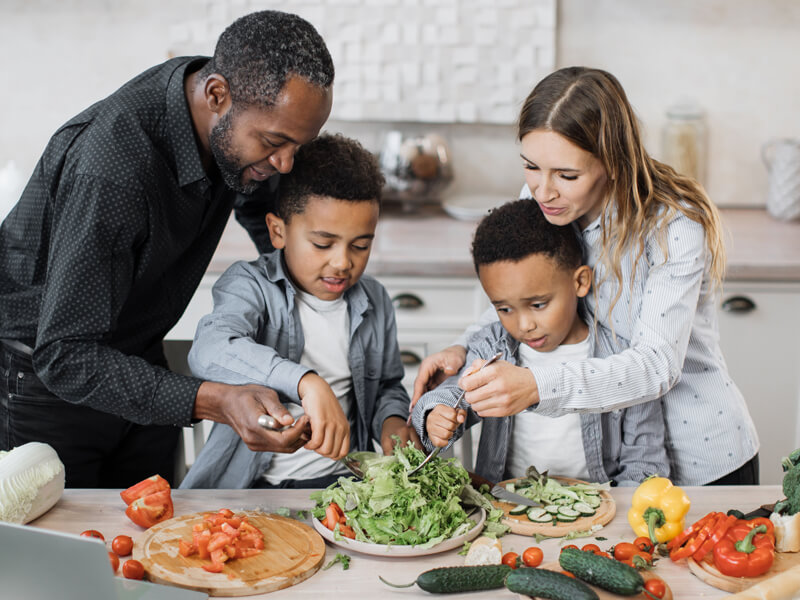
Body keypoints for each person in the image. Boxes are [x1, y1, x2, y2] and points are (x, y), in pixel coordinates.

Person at [0, 10, 336, 488]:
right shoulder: (112, 169)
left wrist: (297, 295)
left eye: (298, 146)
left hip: (137, 357)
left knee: (156, 543)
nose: (284, 163)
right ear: (217, 94)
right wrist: (216, 399)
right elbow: (65, 355)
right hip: (47, 386)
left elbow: (265, 209)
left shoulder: (230, 110)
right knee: (66, 556)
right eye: (274, 143)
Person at [412, 67, 759, 486]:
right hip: (617, 465)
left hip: (700, 460)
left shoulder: (673, 226)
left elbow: (657, 366)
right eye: (531, 167)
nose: (542, 191)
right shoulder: (548, 202)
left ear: (611, 162)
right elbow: (523, 293)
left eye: (567, 175)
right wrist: (462, 346)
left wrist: (538, 385)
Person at [180, 133, 420, 489]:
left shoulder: (375, 300)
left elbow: (387, 385)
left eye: (360, 245)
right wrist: (306, 382)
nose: (342, 263)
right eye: (323, 244)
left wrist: (393, 422)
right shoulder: (250, 285)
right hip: (252, 488)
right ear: (278, 231)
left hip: (344, 485)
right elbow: (210, 348)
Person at [412, 199, 668, 486]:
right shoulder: (493, 345)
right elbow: (453, 394)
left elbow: (645, 461)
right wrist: (436, 415)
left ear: (580, 282)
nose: (524, 326)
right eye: (504, 309)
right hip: (507, 506)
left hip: (600, 507)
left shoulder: (620, 359)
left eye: (537, 304)